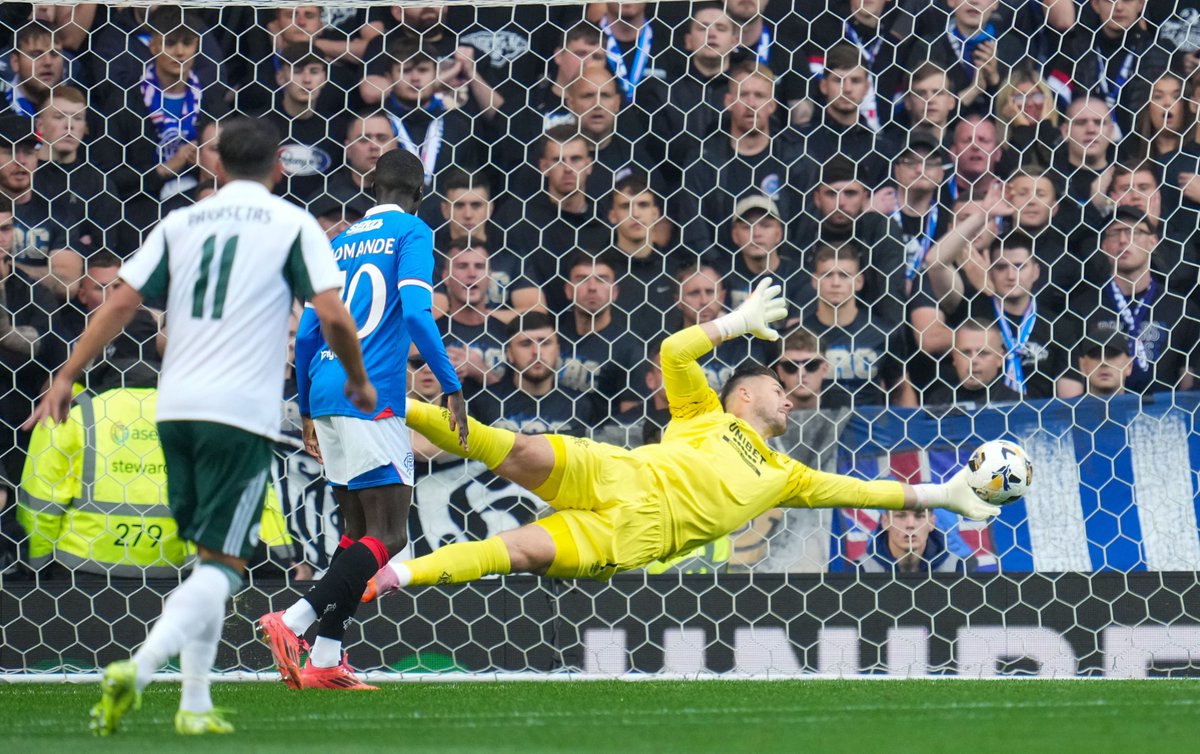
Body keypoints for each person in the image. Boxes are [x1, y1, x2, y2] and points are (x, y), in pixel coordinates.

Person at [26, 117, 374, 736]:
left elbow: (120, 303)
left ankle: (194, 704)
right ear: (277, 170)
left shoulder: (181, 222)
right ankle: (139, 669)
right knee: (223, 568)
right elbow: (332, 313)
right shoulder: (292, 224)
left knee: (207, 559)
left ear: (214, 167)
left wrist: (66, 374)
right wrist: (357, 378)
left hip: (176, 408)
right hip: (238, 415)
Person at [360, 277, 999, 601]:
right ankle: (392, 406)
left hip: (630, 537)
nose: (789, 393)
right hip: (613, 473)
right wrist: (735, 322)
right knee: (515, 445)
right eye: (776, 384)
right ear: (743, 395)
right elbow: (673, 350)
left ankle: (392, 578)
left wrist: (945, 494)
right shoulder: (702, 414)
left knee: (514, 551)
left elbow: (867, 489)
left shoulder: (787, 474)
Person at [261, 149, 466, 692]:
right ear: (420, 194)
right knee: (391, 533)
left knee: (356, 534)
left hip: (326, 389)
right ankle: (296, 620)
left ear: (371, 186)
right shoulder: (415, 233)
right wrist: (451, 384)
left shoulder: (338, 242)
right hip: (370, 392)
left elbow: (307, 334)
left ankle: (326, 659)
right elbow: (419, 313)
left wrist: (306, 406)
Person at [923, 319, 1021, 407]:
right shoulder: (938, 403)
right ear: (954, 357)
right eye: (966, 353)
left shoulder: (1017, 404)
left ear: (1000, 359)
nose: (973, 360)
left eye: (983, 353)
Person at [855, 508, 974, 573]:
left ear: (931, 523)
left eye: (919, 516)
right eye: (901, 516)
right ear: (885, 522)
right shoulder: (862, 568)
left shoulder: (955, 567)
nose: (910, 525)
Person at [1075, 322, 1134, 398]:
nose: (1104, 363)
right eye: (1096, 355)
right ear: (1082, 366)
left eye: (1112, 355)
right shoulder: (1068, 409)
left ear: (1129, 366)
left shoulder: (1142, 408)